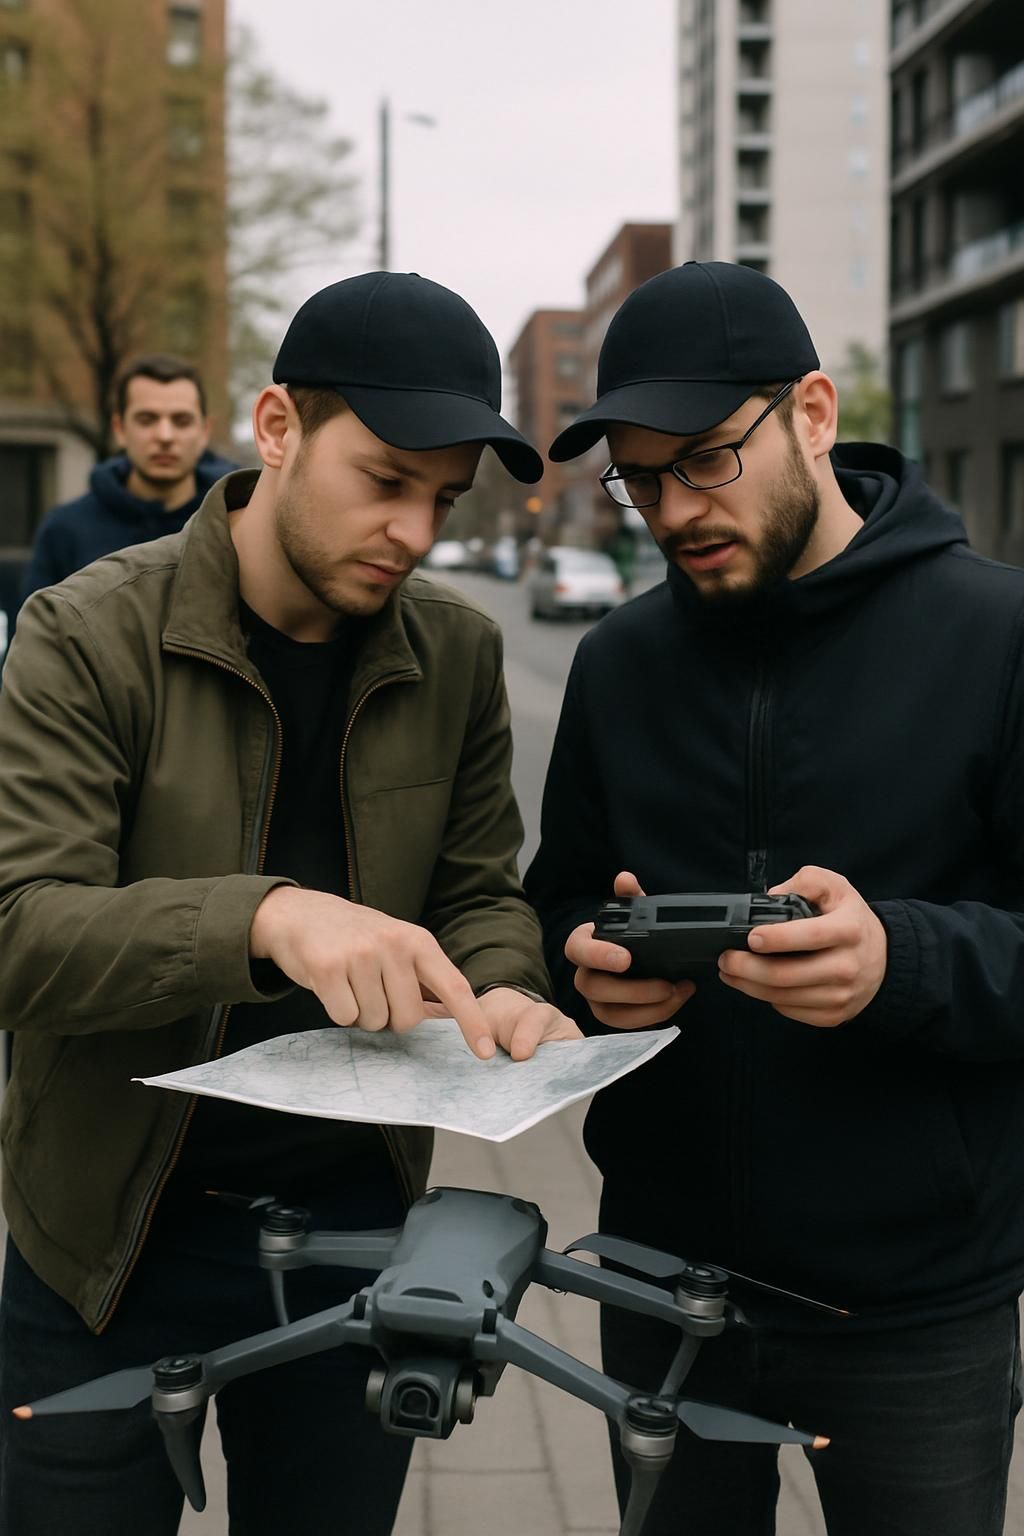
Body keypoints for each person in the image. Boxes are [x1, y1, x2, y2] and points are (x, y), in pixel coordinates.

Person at [0, 271, 579, 1536]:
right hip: (106, 1239)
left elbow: (479, 886)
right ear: (276, 430)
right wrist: (266, 918)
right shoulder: (85, 631)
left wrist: (506, 988)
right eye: (385, 480)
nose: (416, 531)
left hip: (360, 1240)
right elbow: (20, 928)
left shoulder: (459, 652)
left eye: (442, 498)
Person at [524, 260, 1024, 1536]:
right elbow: (556, 907)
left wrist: (896, 964)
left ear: (809, 412)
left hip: (912, 1305)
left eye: (703, 458)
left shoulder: (994, 635)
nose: (670, 509)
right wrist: (587, 972)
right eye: (637, 479)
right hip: (657, 1285)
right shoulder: (619, 662)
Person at [20, 353, 235, 601]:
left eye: (181, 421)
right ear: (120, 429)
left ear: (204, 431)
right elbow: (33, 633)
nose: (165, 436)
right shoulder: (65, 530)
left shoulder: (235, 523)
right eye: (147, 419)